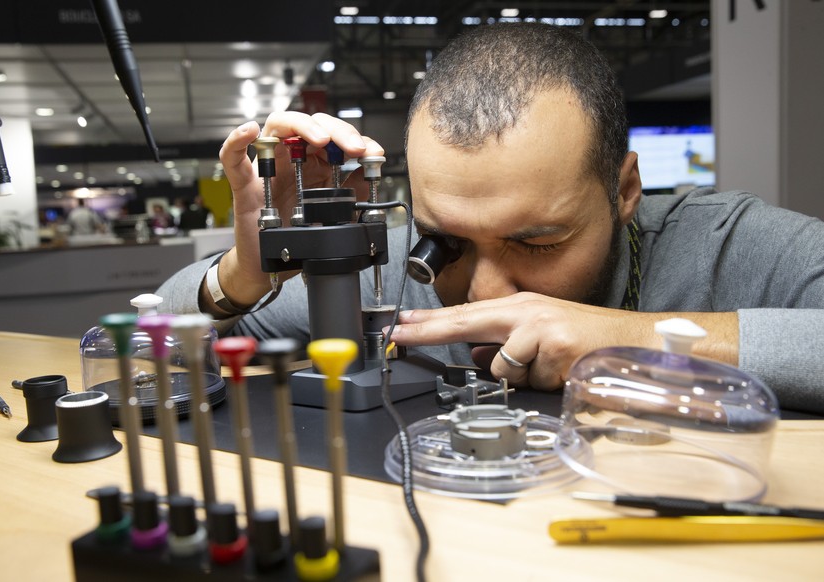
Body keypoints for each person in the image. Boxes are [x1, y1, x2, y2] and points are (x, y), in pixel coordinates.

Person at [156, 23, 824, 414]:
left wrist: (640, 338)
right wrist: (247, 272)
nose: (483, 293)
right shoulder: (389, 266)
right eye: (446, 241)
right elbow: (128, 344)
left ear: (623, 190)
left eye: (535, 242)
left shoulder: (727, 244)